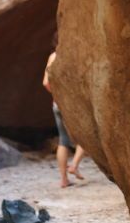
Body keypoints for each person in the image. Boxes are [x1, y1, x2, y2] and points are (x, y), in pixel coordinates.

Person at [43, 40, 86, 187]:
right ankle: (74, 165)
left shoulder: (52, 57)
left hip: (57, 104)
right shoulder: (72, 57)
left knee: (63, 140)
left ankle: (63, 179)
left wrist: (57, 95)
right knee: (85, 136)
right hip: (72, 106)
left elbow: (45, 83)